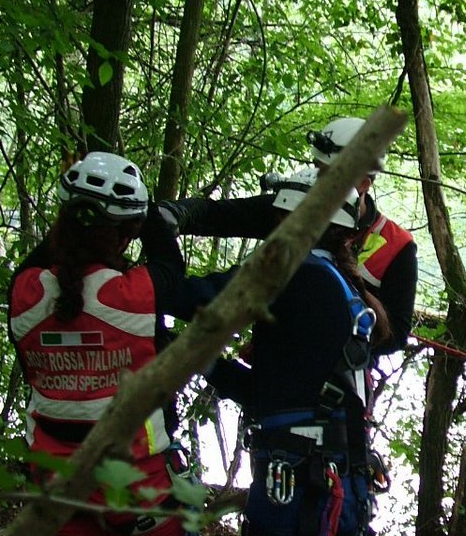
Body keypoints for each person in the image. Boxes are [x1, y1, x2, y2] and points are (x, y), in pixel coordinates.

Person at [201, 168, 418, 536]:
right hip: (334, 465)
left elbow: (212, 304)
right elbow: (280, 387)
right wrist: (207, 362)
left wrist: (184, 334)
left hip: (300, 472)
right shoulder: (343, 290)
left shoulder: (296, 278)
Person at [7, 153, 196, 536]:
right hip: (137, 485)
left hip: (59, 486)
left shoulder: (26, 289)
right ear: (126, 230)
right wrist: (158, 221)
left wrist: (79, 226)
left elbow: (46, 262)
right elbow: (173, 270)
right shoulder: (135, 290)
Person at [162, 116, 417, 357]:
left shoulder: (397, 247)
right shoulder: (294, 208)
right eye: (317, 168)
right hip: (274, 371)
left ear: (362, 184)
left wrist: (306, 339)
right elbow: (220, 216)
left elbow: (394, 337)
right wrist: (172, 214)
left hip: (339, 381)